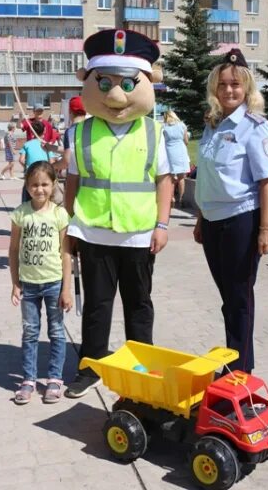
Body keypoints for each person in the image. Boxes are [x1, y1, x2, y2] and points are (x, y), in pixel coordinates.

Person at [64, 28, 173, 398]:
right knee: (97, 305)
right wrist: (70, 227)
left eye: (128, 83)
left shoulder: (155, 132)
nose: (115, 93)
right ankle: (91, 364)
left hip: (140, 234)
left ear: (146, 82)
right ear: (89, 81)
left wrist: (162, 225)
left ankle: (141, 367)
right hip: (94, 232)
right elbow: (72, 185)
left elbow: (164, 181)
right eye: (105, 82)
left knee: (139, 304)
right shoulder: (80, 134)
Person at [193, 48, 268, 374]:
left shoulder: (254, 127)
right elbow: (209, 177)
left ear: (246, 89)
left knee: (240, 297)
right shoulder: (212, 125)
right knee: (228, 296)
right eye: (223, 84)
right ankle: (235, 360)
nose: (229, 90)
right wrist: (201, 218)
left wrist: (266, 228)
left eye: (236, 85)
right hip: (213, 222)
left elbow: (267, 180)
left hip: (242, 220)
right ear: (215, 88)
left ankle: (242, 371)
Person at [9, 161, 72, 405]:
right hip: (29, 284)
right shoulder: (20, 213)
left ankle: (55, 379)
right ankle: (28, 379)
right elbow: (13, 250)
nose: (40, 189)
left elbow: (66, 253)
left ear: (53, 185)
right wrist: (15, 282)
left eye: (45, 184)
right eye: (34, 184)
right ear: (27, 185)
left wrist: (66, 288)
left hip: (54, 282)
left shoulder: (59, 214)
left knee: (56, 331)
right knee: (30, 332)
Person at [45, 95, 87, 176]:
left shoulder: (71, 131)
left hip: (76, 178)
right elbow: (73, 149)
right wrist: (51, 148)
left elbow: (66, 161)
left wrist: (52, 166)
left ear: (70, 111)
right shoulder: (93, 128)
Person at [19, 120, 57, 202]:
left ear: (32, 131)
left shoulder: (27, 144)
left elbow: (21, 160)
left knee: (27, 194)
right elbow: (52, 161)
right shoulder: (46, 145)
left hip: (31, 173)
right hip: (45, 173)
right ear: (44, 131)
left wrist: (27, 168)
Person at [162, 110, 190, 207]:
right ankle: (181, 199)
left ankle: (171, 197)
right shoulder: (182, 125)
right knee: (181, 177)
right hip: (181, 152)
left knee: (172, 177)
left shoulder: (164, 127)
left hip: (169, 152)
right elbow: (186, 141)